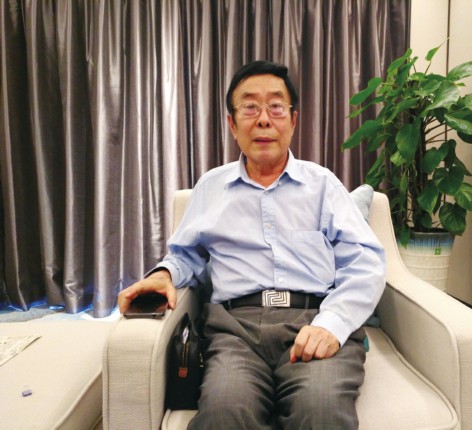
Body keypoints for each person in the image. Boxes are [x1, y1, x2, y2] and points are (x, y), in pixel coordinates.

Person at [118, 60, 386, 429]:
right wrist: (163, 274)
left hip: (313, 319)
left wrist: (333, 324)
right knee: (224, 414)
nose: (263, 120)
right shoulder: (211, 187)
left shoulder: (323, 185)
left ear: (292, 120)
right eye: (249, 107)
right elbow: (185, 256)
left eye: (275, 106)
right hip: (234, 331)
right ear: (232, 123)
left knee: (321, 411)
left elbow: (365, 262)